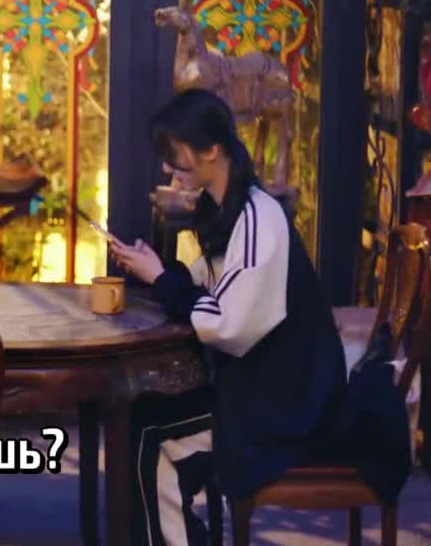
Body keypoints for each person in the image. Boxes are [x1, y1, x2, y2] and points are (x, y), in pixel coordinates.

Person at [109, 88, 346, 546]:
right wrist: (157, 271)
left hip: (284, 404)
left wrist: (160, 278)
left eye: (174, 155)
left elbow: (229, 324)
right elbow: (208, 280)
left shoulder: (259, 217)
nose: (167, 168)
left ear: (211, 150)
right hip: (257, 386)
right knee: (138, 415)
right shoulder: (227, 210)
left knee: (149, 435)